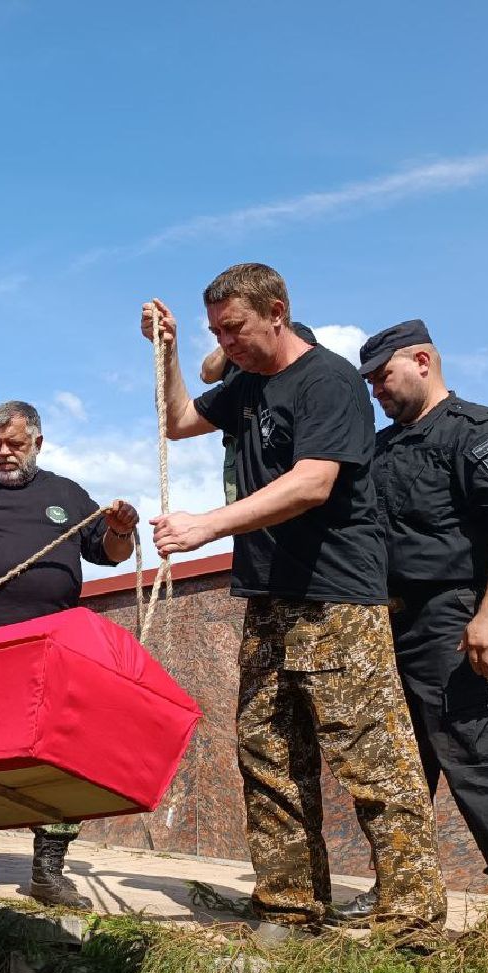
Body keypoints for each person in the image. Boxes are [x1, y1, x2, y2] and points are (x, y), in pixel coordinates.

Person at [140, 265, 446, 935]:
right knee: (268, 756)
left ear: (276, 311)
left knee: (375, 763)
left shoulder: (329, 380)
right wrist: (164, 355)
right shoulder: (246, 387)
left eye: (236, 328)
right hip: (270, 601)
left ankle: (412, 923)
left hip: (336, 601)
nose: (226, 345)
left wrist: (206, 526)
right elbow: (177, 419)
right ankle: (289, 908)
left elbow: (312, 483)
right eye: (217, 330)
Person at [331, 320, 488, 922]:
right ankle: (401, 889)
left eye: (384, 376)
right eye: (369, 382)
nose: (377, 390)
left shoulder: (477, 432)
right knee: (392, 768)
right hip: (381, 627)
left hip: (452, 621)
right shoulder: (375, 449)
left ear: (422, 360)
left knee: (479, 757)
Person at [0, 401, 139, 909]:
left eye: (14, 443)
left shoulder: (67, 494)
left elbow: (111, 552)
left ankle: (48, 871)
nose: (5, 453)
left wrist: (122, 528)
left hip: (54, 650)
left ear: (37, 441)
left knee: (60, 754)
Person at [200, 323, 318, 505]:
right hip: (238, 439)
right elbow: (207, 374)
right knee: (238, 507)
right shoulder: (233, 352)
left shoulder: (295, 333)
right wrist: (230, 340)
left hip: (275, 433)